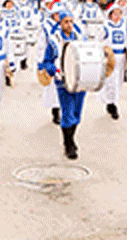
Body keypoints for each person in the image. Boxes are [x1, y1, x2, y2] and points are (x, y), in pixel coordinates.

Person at [40, 10, 86, 160]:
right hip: (63, 81)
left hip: (79, 80)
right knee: (67, 112)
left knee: (77, 114)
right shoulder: (54, 40)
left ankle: (71, 138)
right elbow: (46, 61)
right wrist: (55, 71)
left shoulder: (80, 38)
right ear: (60, 23)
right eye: (66, 22)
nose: (69, 25)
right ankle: (68, 143)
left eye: (71, 21)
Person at [99, 3, 127, 120]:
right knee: (110, 81)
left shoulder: (124, 26)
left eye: (119, 14)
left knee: (118, 81)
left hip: (121, 57)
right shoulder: (106, 26)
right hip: (110, 57)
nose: (117, 16)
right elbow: (100, 41)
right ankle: (112, 104)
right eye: (115, 14)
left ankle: (113, 101)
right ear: (110, 15)